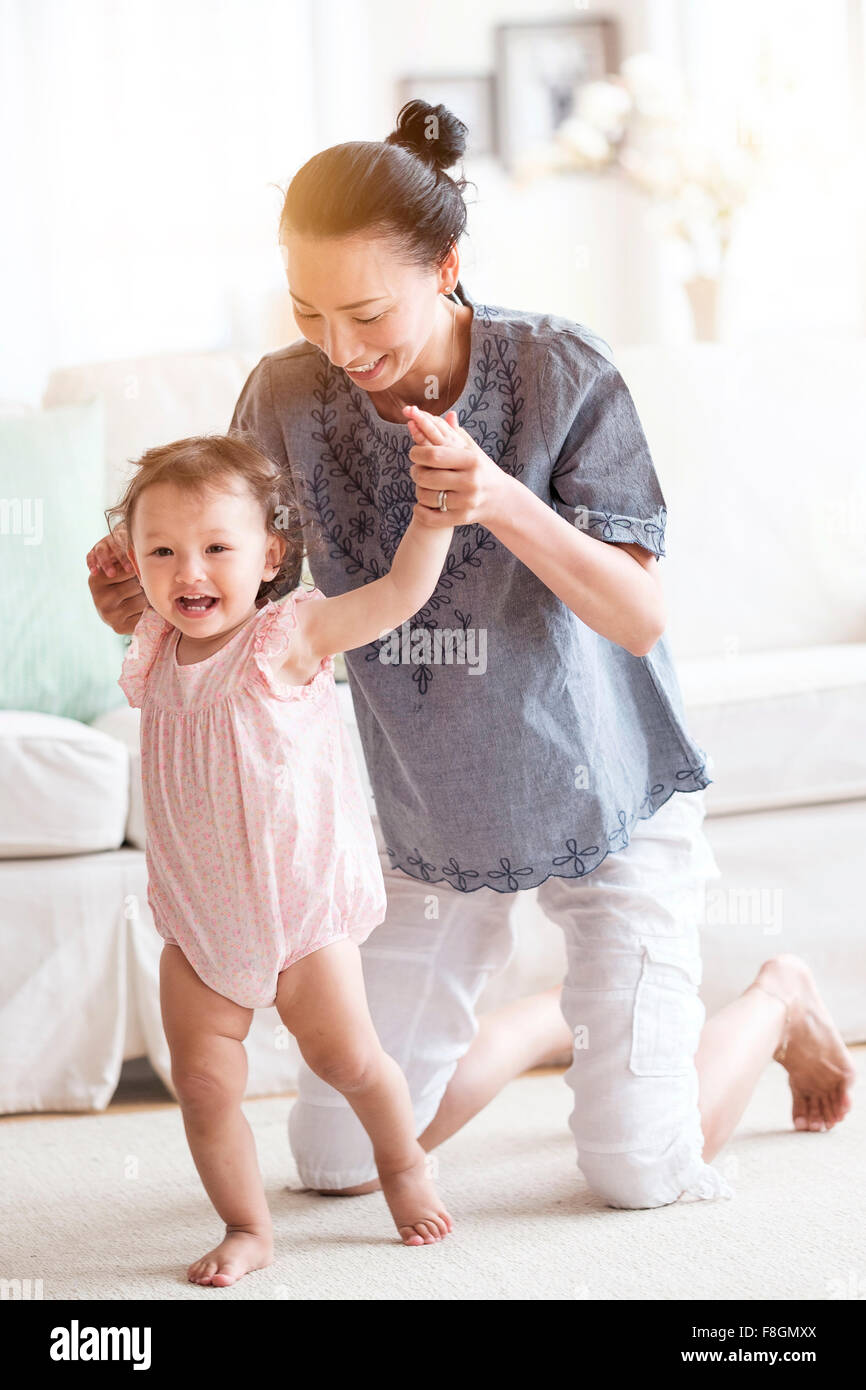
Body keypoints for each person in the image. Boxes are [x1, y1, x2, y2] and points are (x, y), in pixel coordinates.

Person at [88, 99, 855, 1222]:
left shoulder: (560, 373)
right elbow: (248, 604)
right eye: (309, 311)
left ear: (447, 266)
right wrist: (140, 594)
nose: (341, 350)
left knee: (640, 1172)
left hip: (605, 796)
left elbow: (638, 616)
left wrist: (499, 498)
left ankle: (774, 996)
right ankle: (571, 1017)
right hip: (428, 823)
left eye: (366, 313)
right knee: (341, 1155)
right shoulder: (284, 395)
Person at [109, 430, 457, 1285]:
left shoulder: (286, 639)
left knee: (347, 1060)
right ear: (136, 559)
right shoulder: (153, 650)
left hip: (300, 913)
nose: (191, 573)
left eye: (217, 549)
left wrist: (438, 519)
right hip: (200, 926)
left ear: (269, 555)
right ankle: (247, 1225)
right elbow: (132, 602)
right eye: (163, 551)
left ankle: (404, 1160)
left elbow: (398, 594)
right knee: (200, 1084)